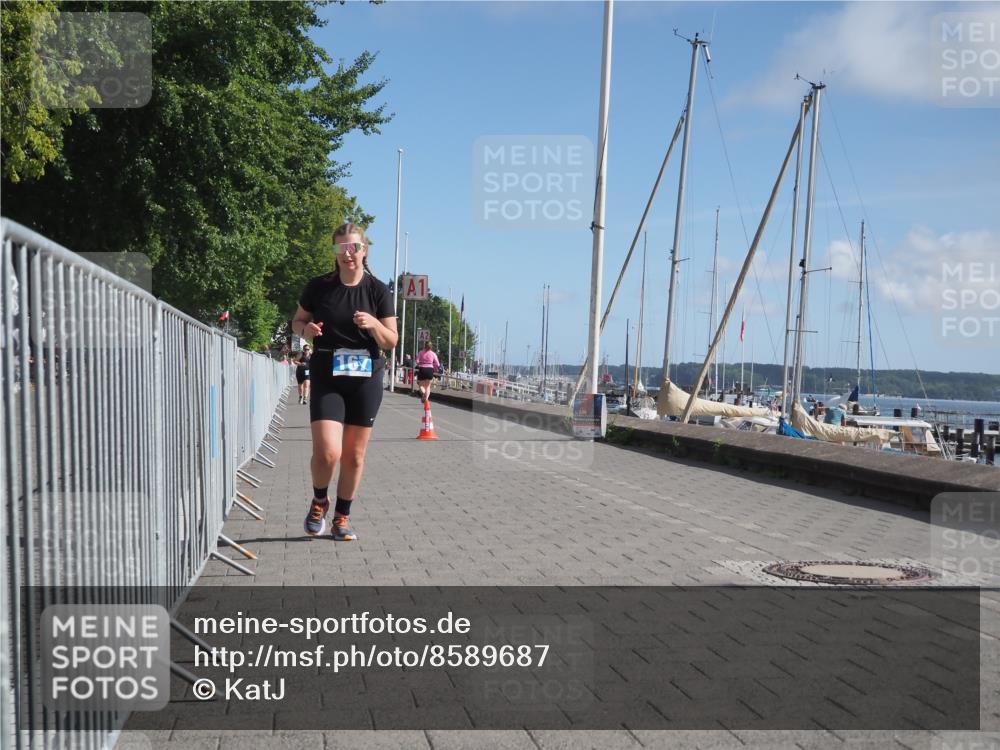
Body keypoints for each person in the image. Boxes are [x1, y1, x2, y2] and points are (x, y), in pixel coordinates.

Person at [291, 223, 398, 541]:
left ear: (364, 251)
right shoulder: (320, 286)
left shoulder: (378, 290)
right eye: (342, 249)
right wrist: (305, 331)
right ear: (335, 252)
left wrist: (375, 324)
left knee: (354, 455)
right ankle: (319, 500)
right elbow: (297, 321)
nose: (348, 254)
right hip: (327, 372)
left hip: (365, 377)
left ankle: (342, 517)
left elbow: (391, 340)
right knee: (327, 453)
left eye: (354, 248)